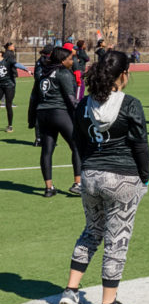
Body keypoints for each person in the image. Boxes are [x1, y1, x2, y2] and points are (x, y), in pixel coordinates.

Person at [57, 51, 149, 304]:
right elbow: (140, 145)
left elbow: (78, 141)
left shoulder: (85, 103)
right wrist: (145, 176)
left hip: (91, 176)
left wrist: (89, 166)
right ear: (123, 75)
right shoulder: (130, 103)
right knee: (116, 240)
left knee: (91, 231)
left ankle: (71, 290)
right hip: (122, 177)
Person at [36, 46, 82, 197]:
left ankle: (49, 188)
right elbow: (71, 99)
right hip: (59, 113)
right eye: (70, 59)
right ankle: (78, 183)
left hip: (42, 114)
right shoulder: (64, 73)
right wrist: (80, 115)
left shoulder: (44, 72)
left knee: (47, 151)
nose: (72, 61)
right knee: (77, 146)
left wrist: (32, 119)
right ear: (63, 61)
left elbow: (34, 97)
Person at [0, 42, 29, 132]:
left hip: (9, 85)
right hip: (0, 85)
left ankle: (10, 126)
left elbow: (17, 64)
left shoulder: (8, 60)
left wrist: (26, 69)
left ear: (1, 53)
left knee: (8, 105)